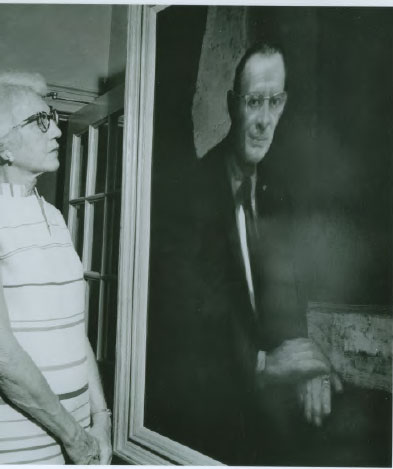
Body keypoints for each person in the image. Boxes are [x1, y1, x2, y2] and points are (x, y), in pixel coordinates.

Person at [155, 42, 343, 464]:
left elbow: (286, 303)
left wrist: (309, 367)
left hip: (272, 423)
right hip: (207, 421)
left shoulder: (280, 196)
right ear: (232, 104)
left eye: (274, 103)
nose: (263, 120)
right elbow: (180, 323)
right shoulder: (188, 193)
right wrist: (262, 366)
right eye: (254, 101)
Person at [0, 72, 112, 465]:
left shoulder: (52, 214)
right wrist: (73, 436)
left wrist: (100, 417)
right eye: (41, 121)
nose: (57, 130)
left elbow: (74, 329)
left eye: (51, 117)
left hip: (76, 431)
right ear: (1, 145)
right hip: (11, 438)